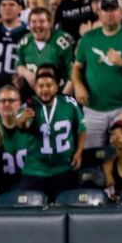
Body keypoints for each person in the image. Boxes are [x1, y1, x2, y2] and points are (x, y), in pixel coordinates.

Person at [71, 0, 122, 149]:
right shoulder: (88, 38)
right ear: (99, 14)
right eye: (105, 10)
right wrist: (78, 86)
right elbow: (76, 67)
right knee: (91, 155)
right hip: (92, 108)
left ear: (121, 13)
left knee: (121, 151)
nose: (109, 14)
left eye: (113, 9)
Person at [16, 67, 86, 199]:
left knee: (66, 207)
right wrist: (23, 120)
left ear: (56, 87)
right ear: (35, 88)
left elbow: (82, 129)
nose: (45, 89)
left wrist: (79, 152)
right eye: (41, 86)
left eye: (49, 85)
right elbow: (21, 125)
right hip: (35, 170)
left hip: (63, 169)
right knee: (31, 213)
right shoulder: (29, 105)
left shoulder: (69, 103)